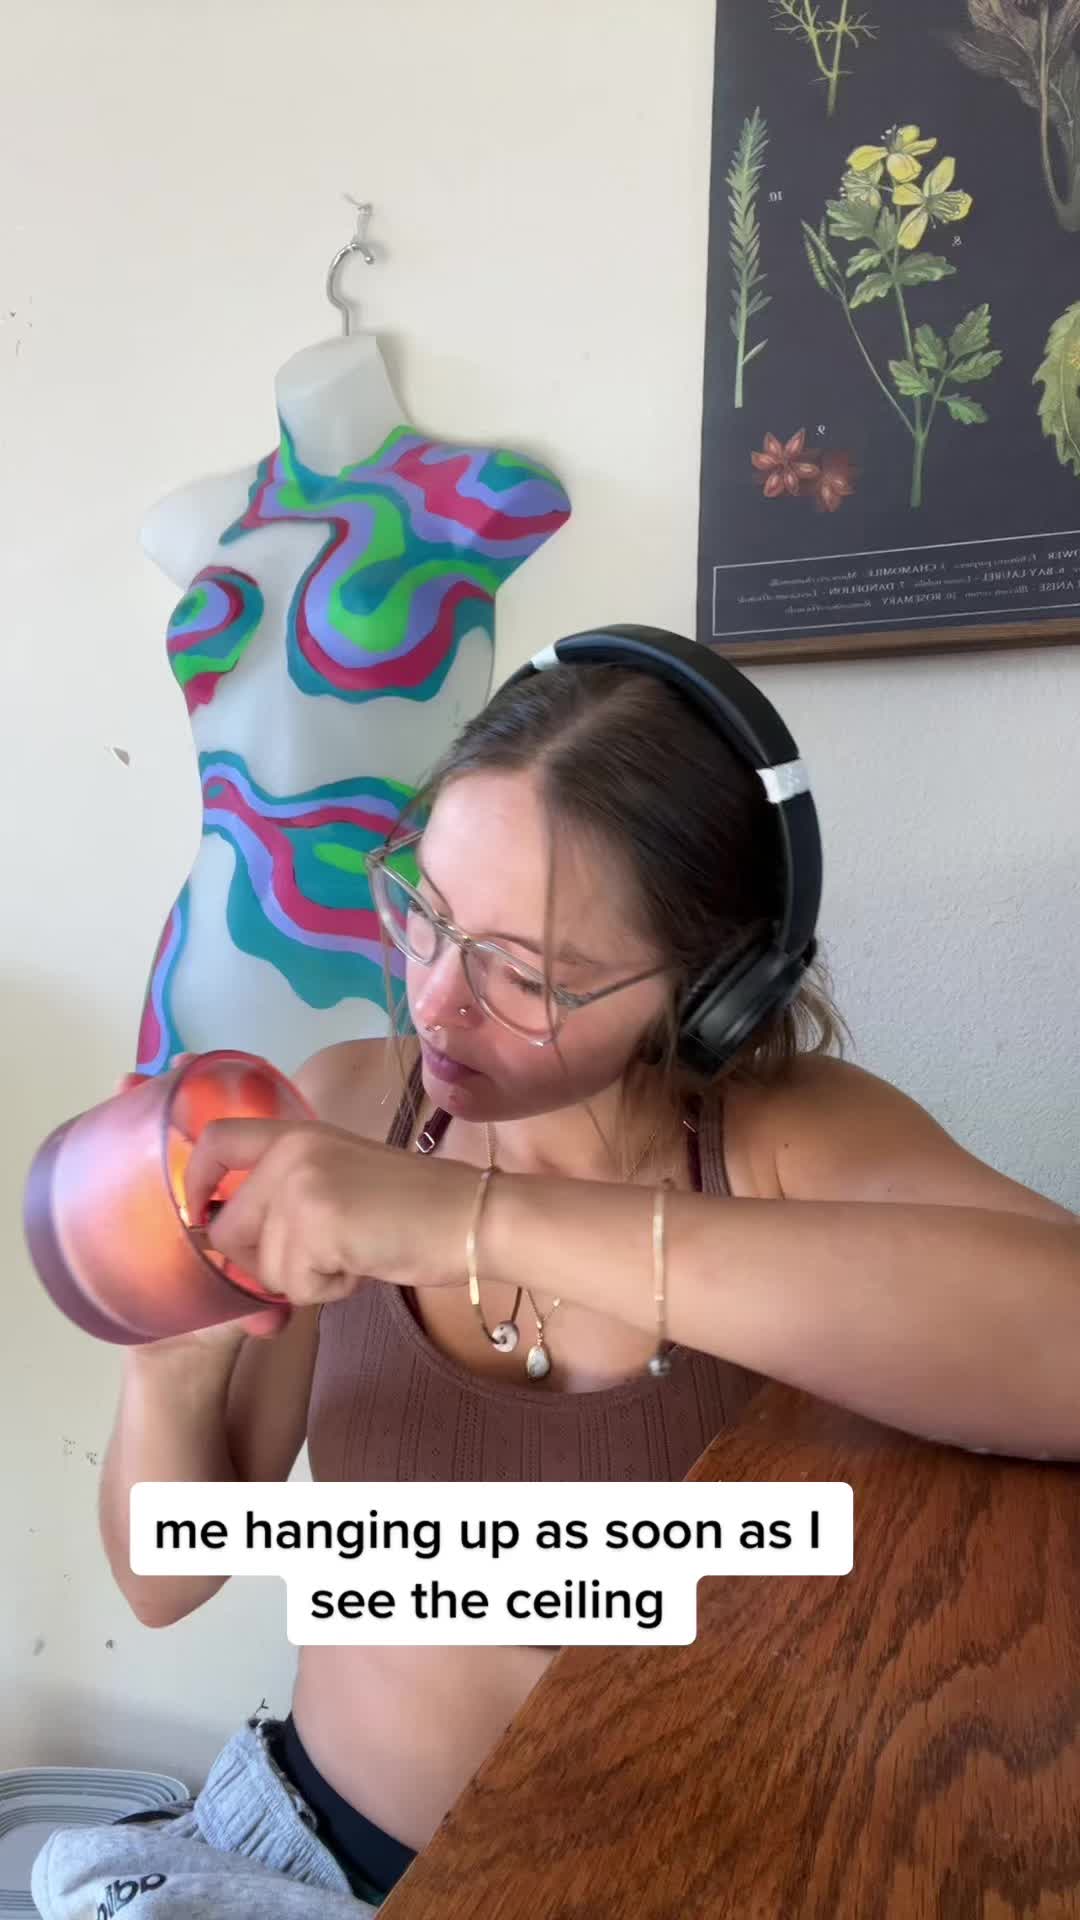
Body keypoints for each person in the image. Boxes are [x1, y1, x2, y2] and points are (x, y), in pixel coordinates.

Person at [39, 632, 1080, 1918]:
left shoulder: (781, 1144)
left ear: (710, 986)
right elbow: (164, 1580)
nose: (435, 1001)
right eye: (426, 914)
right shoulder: (348, 1110)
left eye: (526, 975)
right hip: (295, 1856)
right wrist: (172, 1348)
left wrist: (468, 1221)